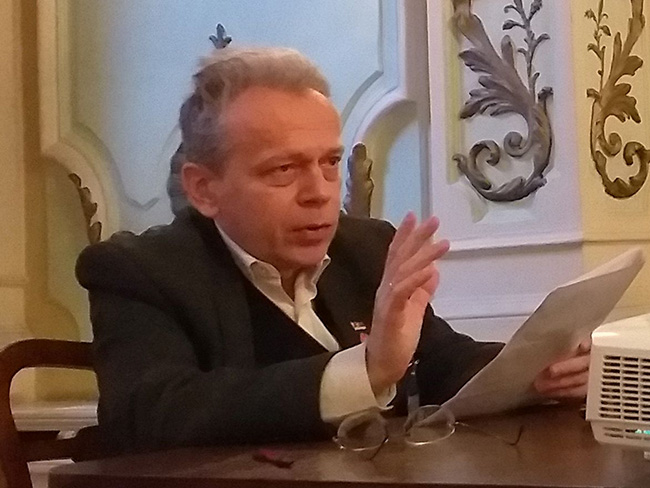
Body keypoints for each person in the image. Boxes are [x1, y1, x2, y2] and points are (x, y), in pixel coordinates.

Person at [76, 47, 590, 454]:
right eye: (283, 169)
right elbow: (154, 413)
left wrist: (534, 369)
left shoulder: (366, 247)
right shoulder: (138, 271)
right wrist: (366, 370)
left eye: (329, 163)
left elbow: (438, 361)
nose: (320, 192)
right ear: (204, 188)